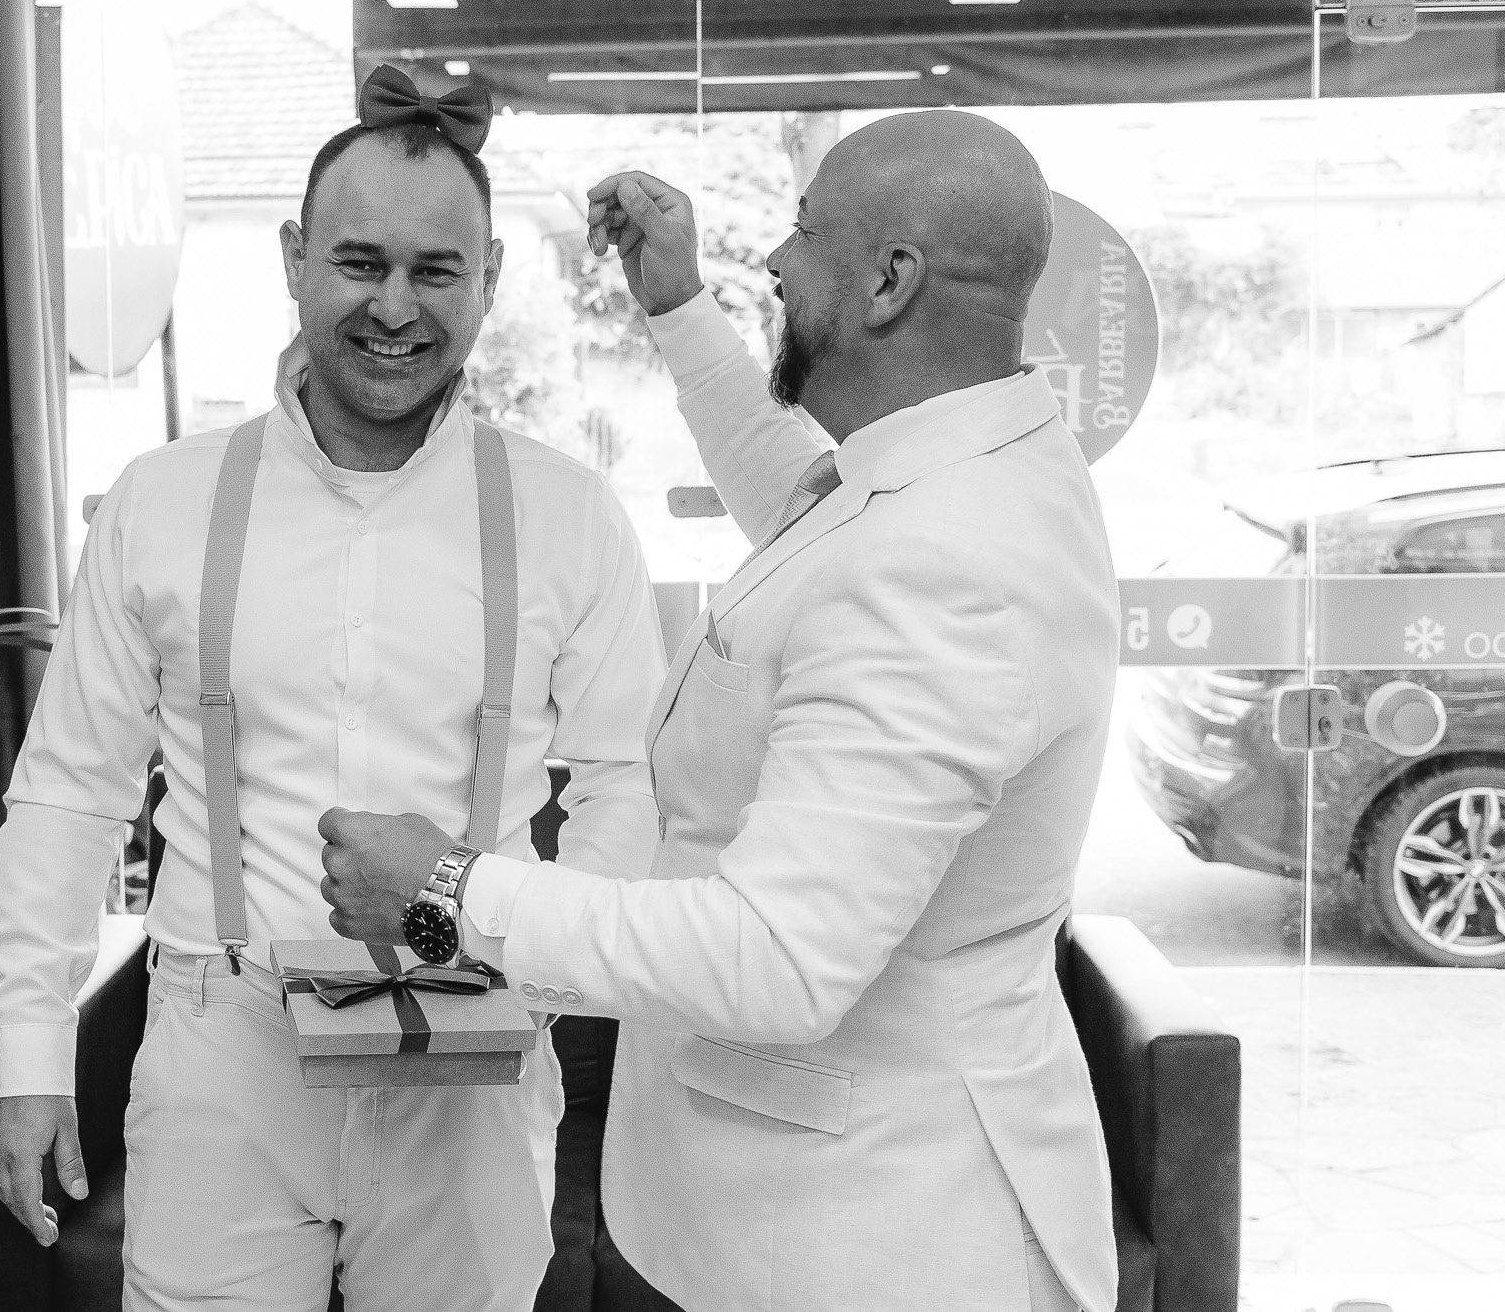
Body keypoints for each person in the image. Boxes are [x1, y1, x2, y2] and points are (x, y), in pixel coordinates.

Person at [316, 108, 1122, 1312]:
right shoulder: (966, 465)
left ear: (889, 281)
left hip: (858, 1243)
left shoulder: (944, 561)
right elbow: (810, 510)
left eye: (804, 231)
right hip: (781, 1212)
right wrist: (677, 309)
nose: (776, 261)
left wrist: (445, 892)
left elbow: (776, 957)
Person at [0, 67, 666, 1312]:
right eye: (358, 263)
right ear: (294, 257)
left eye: (434, 271)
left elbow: (630, 784)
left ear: (490, 277)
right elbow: (70, 791)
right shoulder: (160, 501)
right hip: (221, 1040)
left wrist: (547, 975)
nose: (393, 307)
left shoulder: (568, 513)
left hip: (474, 1045)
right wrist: (24, 1054)